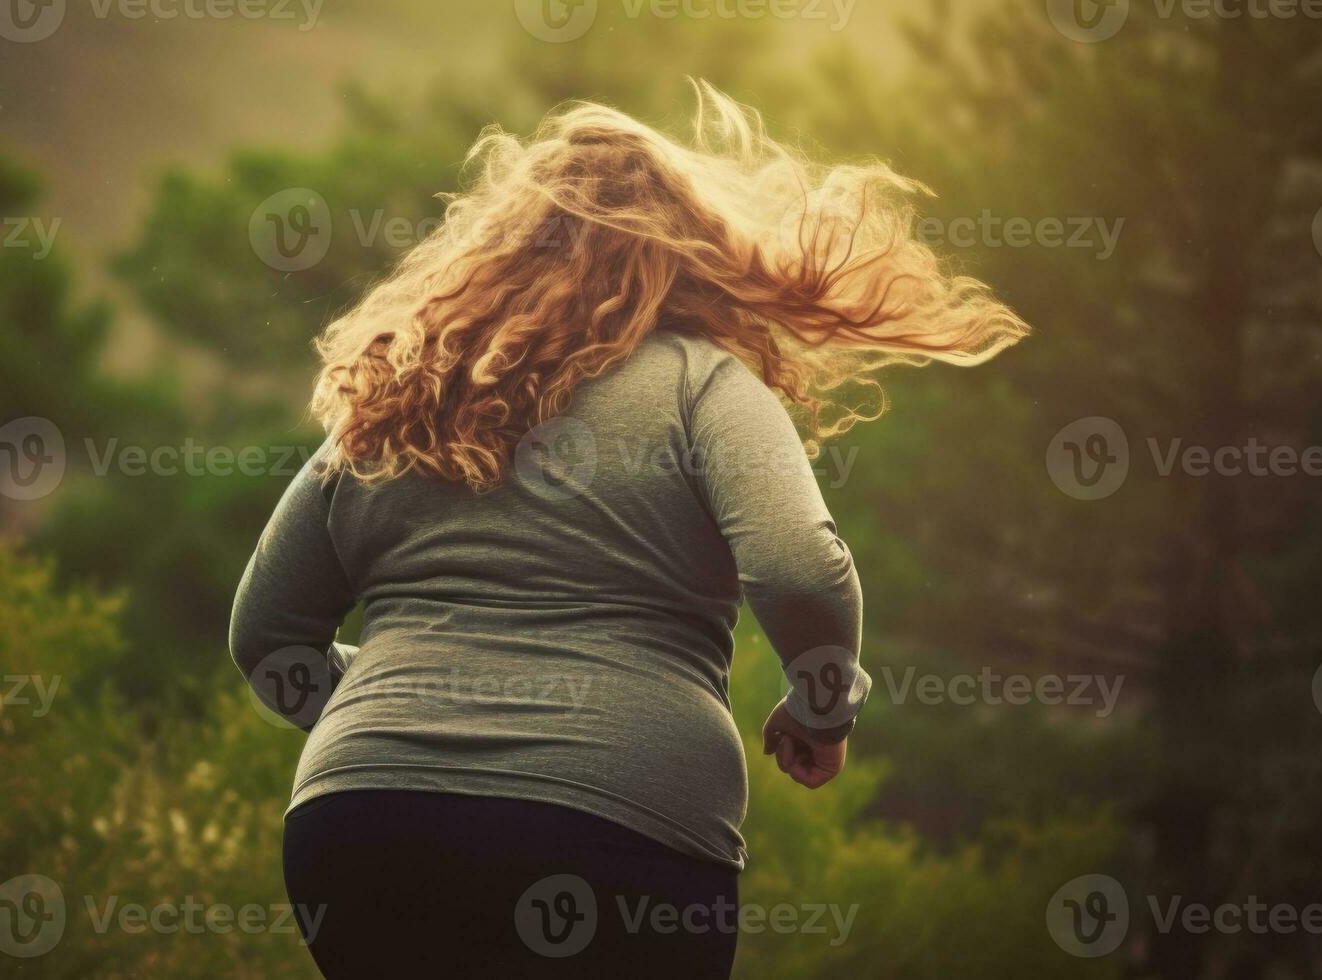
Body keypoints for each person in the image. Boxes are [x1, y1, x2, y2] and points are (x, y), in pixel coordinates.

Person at [230, 82, 1027, 978]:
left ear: (495, 250)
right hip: (617, 822)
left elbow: (266, 639)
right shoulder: (702, 383)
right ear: (683, 256)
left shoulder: (397, 400)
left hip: (365, 826)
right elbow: (799, 569)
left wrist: (401, 702)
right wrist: (822, 710)